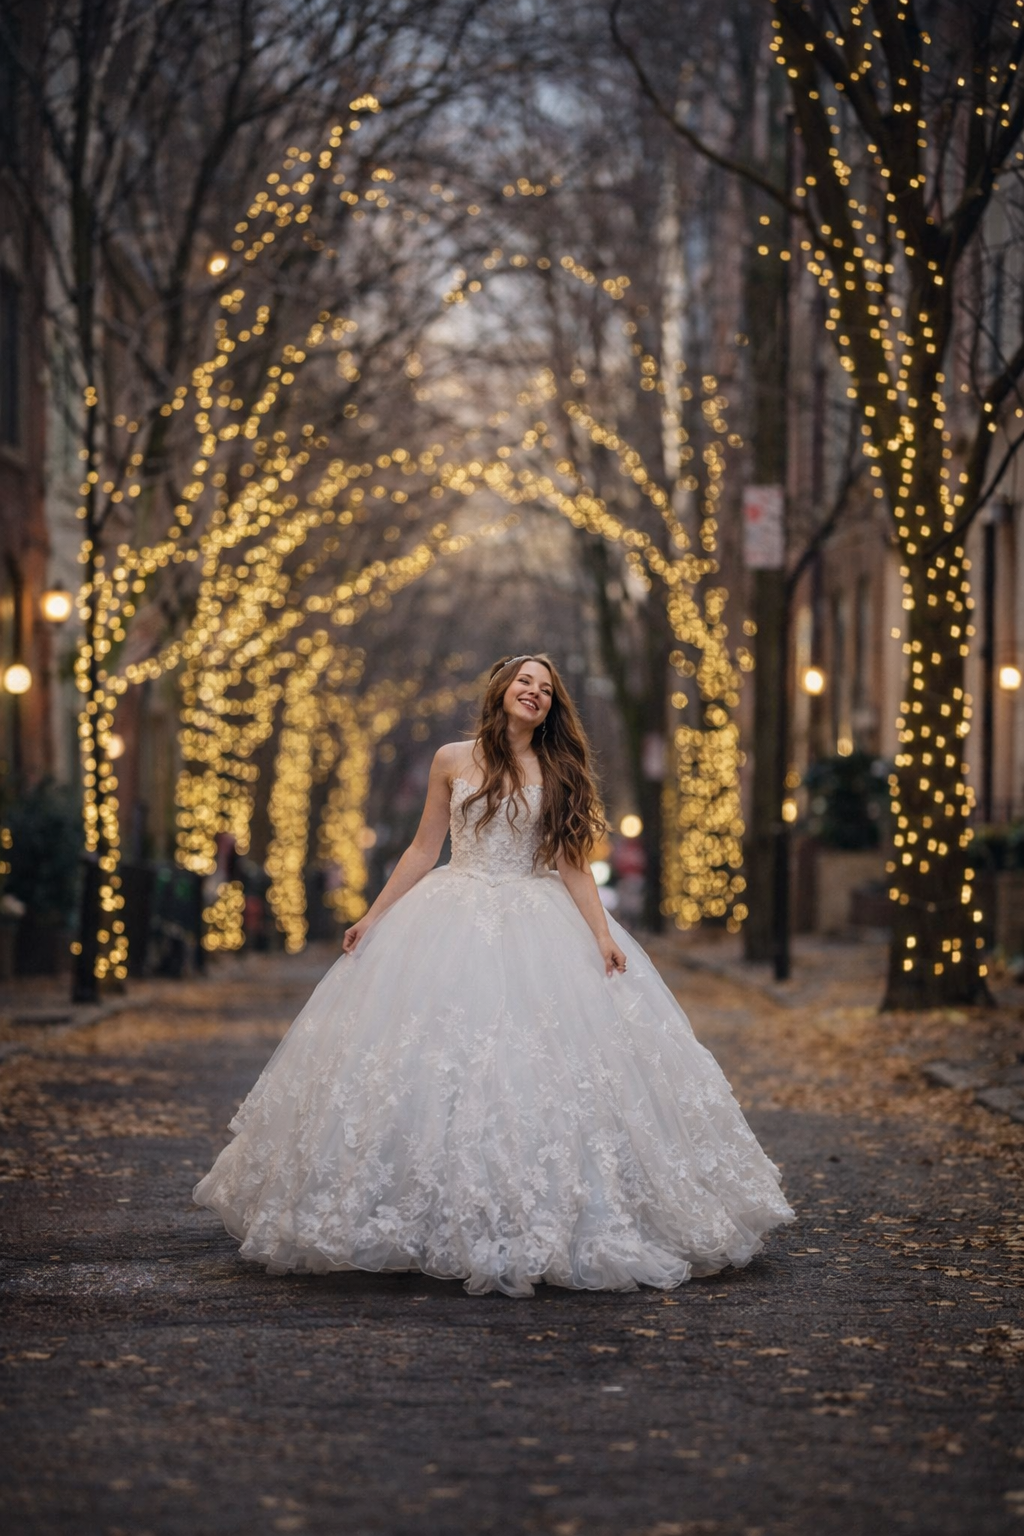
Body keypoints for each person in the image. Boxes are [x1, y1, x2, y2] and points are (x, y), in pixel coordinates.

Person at [194, 654, 794, 1295]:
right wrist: (373, 918)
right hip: (449, 913)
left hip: (539, 918)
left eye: (545, 688)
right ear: (502, 691)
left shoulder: (561, 769)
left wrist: (599, 934)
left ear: (551, 706)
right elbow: (425, 847)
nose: (533, 693)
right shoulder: (452, 760)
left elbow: (571, 864)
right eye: (524, 682)